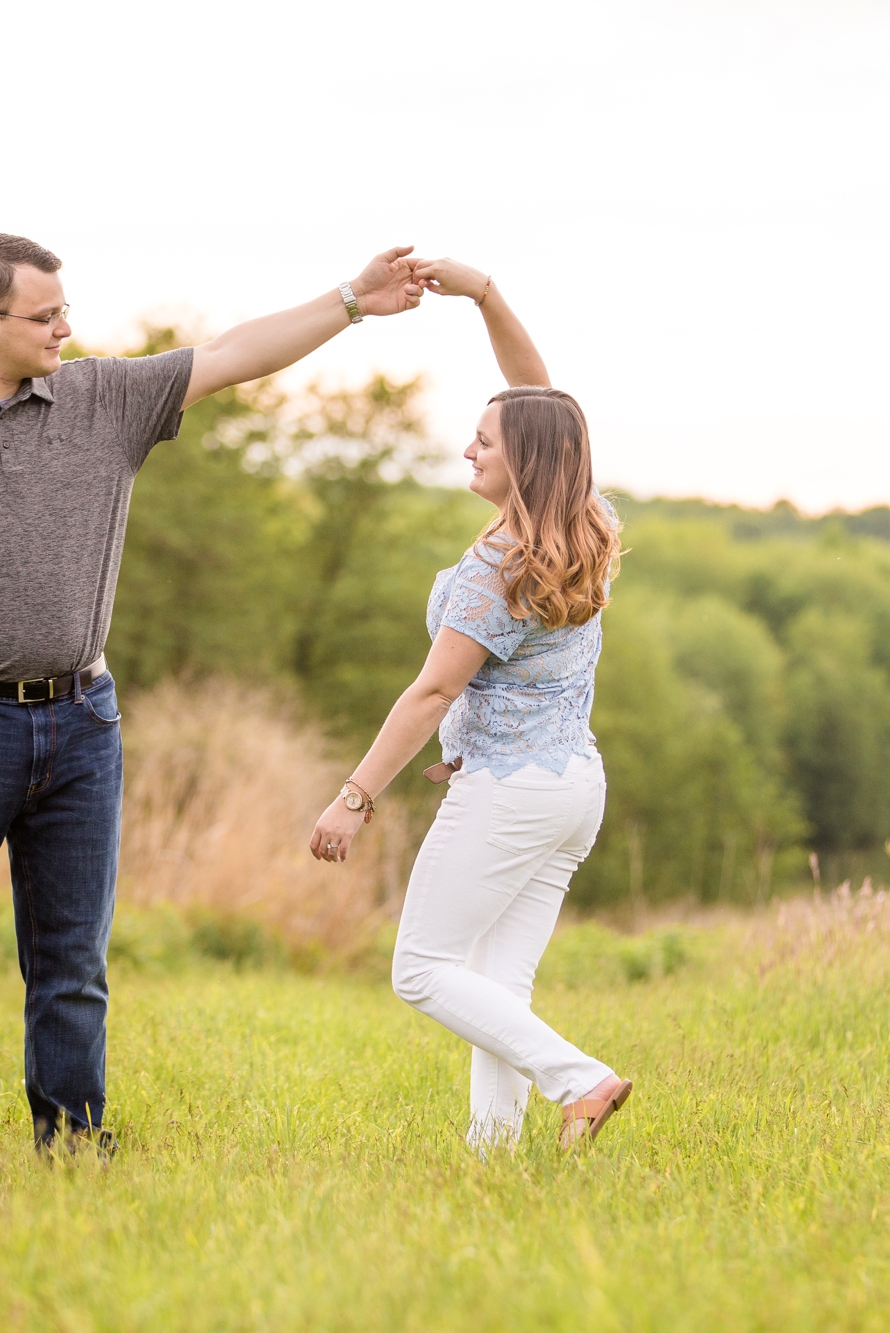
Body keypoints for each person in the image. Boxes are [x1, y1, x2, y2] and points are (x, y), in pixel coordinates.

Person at [0, 232, 426, 1152]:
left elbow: (237, 354)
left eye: (65, 310)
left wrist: (352, 300)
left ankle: (73, 1137)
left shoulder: (104, 400)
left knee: (72, 961)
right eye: (45, 315)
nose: (65, 328)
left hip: (82, 724)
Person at [307, 258, 631, 1152]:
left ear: (523, 458)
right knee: (496, 980)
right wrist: (484, 295)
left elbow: (433, 689)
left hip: (511, 790)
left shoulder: (500, 566)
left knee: (421, 968)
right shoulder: (586, 523)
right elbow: (546, 404)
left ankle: (580, 1079)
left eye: (484, 441)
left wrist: (356, 794)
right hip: (573, 789)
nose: (469, 449)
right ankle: (492, 1154)